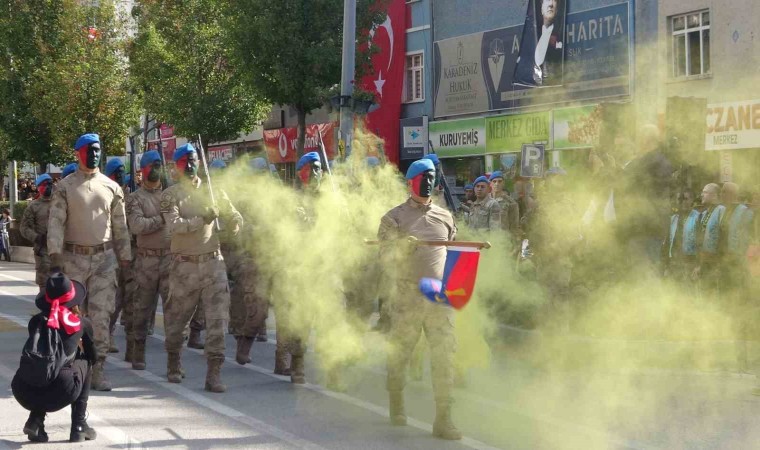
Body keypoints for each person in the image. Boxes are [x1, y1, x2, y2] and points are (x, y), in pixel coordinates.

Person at [378, 158, 461, 440]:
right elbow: (384, 257)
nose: (427, 182)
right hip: (407, 295)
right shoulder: (393, 218)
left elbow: (453, 252)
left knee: (444, 355)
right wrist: (400, 247)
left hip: (438, 298)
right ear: (409, 182)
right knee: (401, 352)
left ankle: (444, 418)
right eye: (421, 177)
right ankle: (396, 402)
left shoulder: (445, 217)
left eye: (431, 177)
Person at [47, 133, 132, 391]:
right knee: (72, 316)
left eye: (97, 150)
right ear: (78, 153)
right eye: (88, 150)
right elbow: (56, 222)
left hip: (104, 260)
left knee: (101, 316)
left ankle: (98, 369)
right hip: (73, 260)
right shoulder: (65, 187)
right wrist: (55, 257)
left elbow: (121, 227)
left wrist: (126, 258)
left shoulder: (111, 187)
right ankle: (71, 366)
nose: (94, 154)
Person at [160, 143, 243, 392]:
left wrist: (234, 223)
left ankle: (214, 373)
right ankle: (174, 361)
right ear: (177, 166)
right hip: (184, 266)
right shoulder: (170, 195)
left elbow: (234, 214)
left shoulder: (213, 191)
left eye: (193, 159)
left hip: (213, 263)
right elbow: (174, 226)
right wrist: (202, 220)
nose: (190, 164)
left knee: (218, 320)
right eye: (184, 160)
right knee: (177, 321)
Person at [11, 272, 97, 443]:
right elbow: (94, 356)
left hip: (22, 388)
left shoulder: (35, 322)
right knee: (86, 362)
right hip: (61, 391)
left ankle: (35, 420)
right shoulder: (81, 324)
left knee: (43, 365)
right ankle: (79, 425)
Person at [125, 150, 171, 370]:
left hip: (170, 259)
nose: (156, 168)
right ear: (142, 170)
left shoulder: (170, 195)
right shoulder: (135, 198)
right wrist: (161, 219)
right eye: (152, 165)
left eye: (158, 164)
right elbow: (137, 226)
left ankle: (174, 362)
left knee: (173, 311)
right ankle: (137, 352)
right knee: (141, 310)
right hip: (146, 261)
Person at [20, 173, 55, 291]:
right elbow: (24, 228)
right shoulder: (33, 206)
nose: (48, 187)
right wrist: (37, 237)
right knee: (44, 284)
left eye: (50, 183)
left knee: (62, 284)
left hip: (61, 249)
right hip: (43, 250)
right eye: (45, 184)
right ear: (39, 187)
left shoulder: (60, 203)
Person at [692, 183, 725, 293]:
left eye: (705, 192)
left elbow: (723, 237)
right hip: (704, 263)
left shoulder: (721, 210)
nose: (701, 195)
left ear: (714, 196)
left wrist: (719, 265)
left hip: (715, 264)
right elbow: (701, 240)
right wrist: (698, 265)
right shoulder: (705, 213)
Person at [662, 191, 700, 282]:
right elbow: (667, 243)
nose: (683, 202)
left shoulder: (698, 217)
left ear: (692, 200)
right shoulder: (673, 219)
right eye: (680, 199)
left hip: (690, 264)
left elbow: (702, 243)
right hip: (674, 264)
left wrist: (698, 266)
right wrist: (666, 266)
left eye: (686, 199)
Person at [532, 0, 564, 86]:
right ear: (541, 9)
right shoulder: (533, 36)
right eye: (547, 0)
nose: (550, 4)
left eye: (554, 0)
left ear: (557, 10)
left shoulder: (562, 36)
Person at [489, 171, 521, 235]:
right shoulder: (484, 200)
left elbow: (514, 227)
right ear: (490, 184)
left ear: (503, 183)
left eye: (499, 181)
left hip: (503, 238)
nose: (497, 184)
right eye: (494, 181)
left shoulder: (511, 202)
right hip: (485, 237)